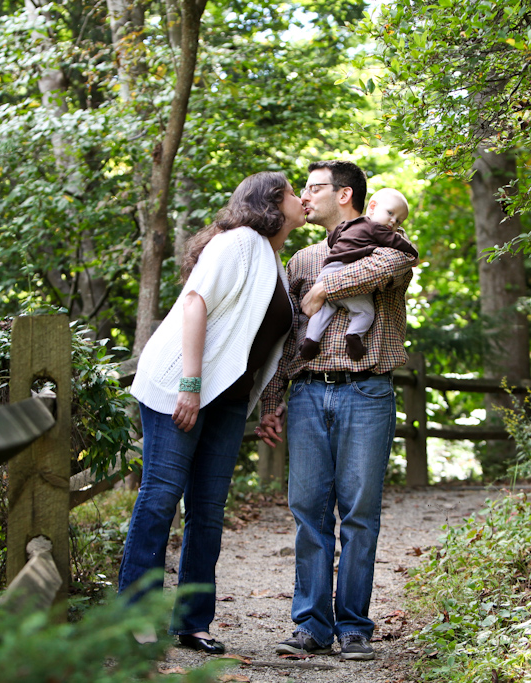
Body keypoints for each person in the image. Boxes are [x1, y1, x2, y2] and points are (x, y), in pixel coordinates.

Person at [121, 171, 304, 655]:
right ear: (270, 202)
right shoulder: (239, 242)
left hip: (226, 401)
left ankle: (192, 622)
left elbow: (262, 346)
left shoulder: (275, 261)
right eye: (291, 192)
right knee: (160, 497)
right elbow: (196, 302)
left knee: (207, 512)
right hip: (182, 385)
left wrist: (266, 405)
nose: (301, 197)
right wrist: (190, 384)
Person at [256, 160, 417, 661]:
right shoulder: (301, 259)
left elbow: (393, 266)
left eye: (315, 187)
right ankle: (311, 627)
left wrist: (328, 288)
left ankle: (354, 629)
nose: (305, 196)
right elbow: (286, 337)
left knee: (360, 515)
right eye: (303, 188)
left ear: (345, 194)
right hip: (306, 395)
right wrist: (271, 399)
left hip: (367, 393)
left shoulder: (385, 239)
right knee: (308, 513)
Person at [299, 188, 417, 362]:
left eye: (398, 221)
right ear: (372, 207)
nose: (393, 222)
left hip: (327, 271)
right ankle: (354, 337)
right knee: (364, 312)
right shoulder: (378, 229)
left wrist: (324, 286)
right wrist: (413, 252)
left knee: (323, 311)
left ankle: (311, 340)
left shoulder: (346, 227)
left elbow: (333, 240)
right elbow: (398, 244)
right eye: (390, 213)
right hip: (347, 269)